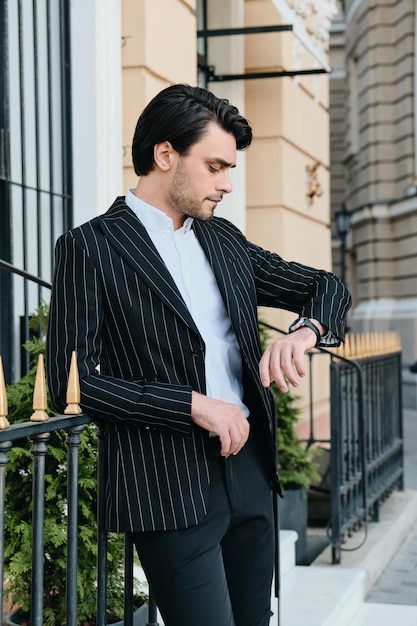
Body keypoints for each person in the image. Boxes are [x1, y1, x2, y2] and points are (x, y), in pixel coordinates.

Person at [46, 84, 351, 626]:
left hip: (251, 473)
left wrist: (303, 333)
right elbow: (72, 383)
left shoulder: (224, 240)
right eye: (214, 166)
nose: (227, 184)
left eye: (229, 169)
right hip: (166, 485)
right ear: (166, 155)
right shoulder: (90, 247)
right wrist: (191, 404)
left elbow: (325, 286)